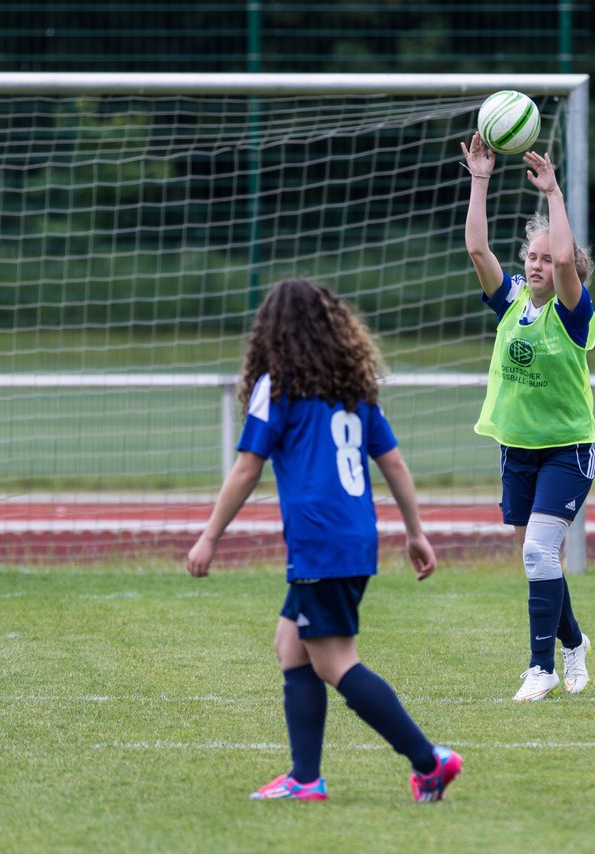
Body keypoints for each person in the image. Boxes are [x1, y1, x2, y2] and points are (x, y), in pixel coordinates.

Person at [185, 278, 462, 803]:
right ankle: (305, 778)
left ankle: (429, 762)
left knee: (335, 662)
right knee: (291, 646)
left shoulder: (278, 386)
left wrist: (208, 538)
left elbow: (247, 468)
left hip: (320, 542)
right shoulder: (353, 389)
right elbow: (394, 463)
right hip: (355, 536)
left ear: (272, 331)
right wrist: (415, 531)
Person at [460, 131, 595, 703]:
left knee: (540, 553)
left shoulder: (572, 312)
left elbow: (567, 255)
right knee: (535, 558)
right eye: (532, 257)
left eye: (547, 258)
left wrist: (554, 193)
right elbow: (476, 251)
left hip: (568, 447)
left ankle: (541, 667)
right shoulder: (512, 301)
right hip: (517, 447)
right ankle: (575, 643)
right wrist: (480, 179)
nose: (540, 263)